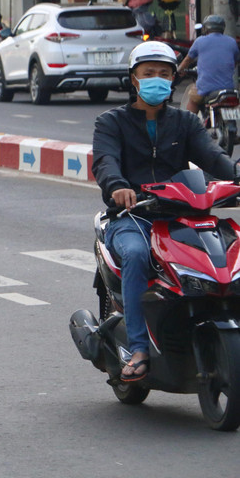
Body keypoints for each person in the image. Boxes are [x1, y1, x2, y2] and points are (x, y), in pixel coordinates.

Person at [92, 40, 236, 382]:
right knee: (137, 254)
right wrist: (117, 186)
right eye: (148, 73)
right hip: (132, 217)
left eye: (164, 73)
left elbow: (213, 158)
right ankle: (139, 349)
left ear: (173, 78)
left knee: (230, 257)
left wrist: (235, 174)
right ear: (134, 79)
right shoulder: (111, 122)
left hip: (181, 215)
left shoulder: (185, 122)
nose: (156, 79)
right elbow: (105, 160)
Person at [177, 15, 240, 114]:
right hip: (228, 88)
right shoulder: (231, 42)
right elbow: (236, 61)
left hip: (205, 88)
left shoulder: (200, 41)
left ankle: (188, 125)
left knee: (193, 100)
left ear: (206, 28)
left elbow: (187, 60)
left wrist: (178, 70)